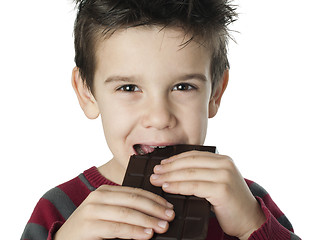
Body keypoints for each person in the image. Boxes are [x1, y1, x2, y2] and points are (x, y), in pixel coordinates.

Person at [21, 0, 300, 239]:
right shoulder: (59, 209)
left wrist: (252, 225)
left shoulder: (245, 199)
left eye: (183, 87)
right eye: (128, 88)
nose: (159, 118)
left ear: (215, 92)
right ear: (88, 93)